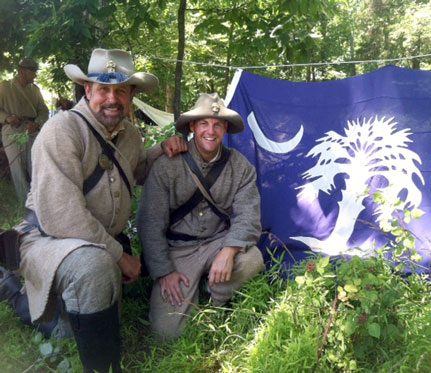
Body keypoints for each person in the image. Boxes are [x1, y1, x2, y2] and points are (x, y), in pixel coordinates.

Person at [0, 48, 186, 372]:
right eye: (103, 89)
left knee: (78, 320)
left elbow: (136, 170)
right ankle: (15, 289)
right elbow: (63, 215)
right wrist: (120, 255)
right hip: (47, 238)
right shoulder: (63, 131)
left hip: (92, 244)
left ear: (132, 95)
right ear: (88, 90)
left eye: (120, 90)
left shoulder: (130, 134)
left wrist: (160, 150)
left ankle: (55, 308)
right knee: (96, 270)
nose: (112, 99)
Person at [137, 93, 264, 340]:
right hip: (177, 250)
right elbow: (150, 223)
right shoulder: (167, 165)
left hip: (218, 243)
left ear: (225, 128)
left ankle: (214, 291)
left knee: (252, 259)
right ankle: (191, 287)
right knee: (166, 335)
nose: (211, 130)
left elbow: (249, 215)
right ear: (193, 127)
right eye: (204, 123)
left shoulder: (240, 166)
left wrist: (229, 250)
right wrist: (164, 271)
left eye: (217, 124)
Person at [0, 58, 49, 203]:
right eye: (32, 72)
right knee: (17, 168)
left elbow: (44, 112)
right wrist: (7, 118)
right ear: (22, 71)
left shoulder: (35, 90)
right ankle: (25, 203)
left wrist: (37, 123)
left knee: (36, 165)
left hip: (32, 131)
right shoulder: (4, 87)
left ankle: (39, 200)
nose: (35, 75)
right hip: (12, 131)